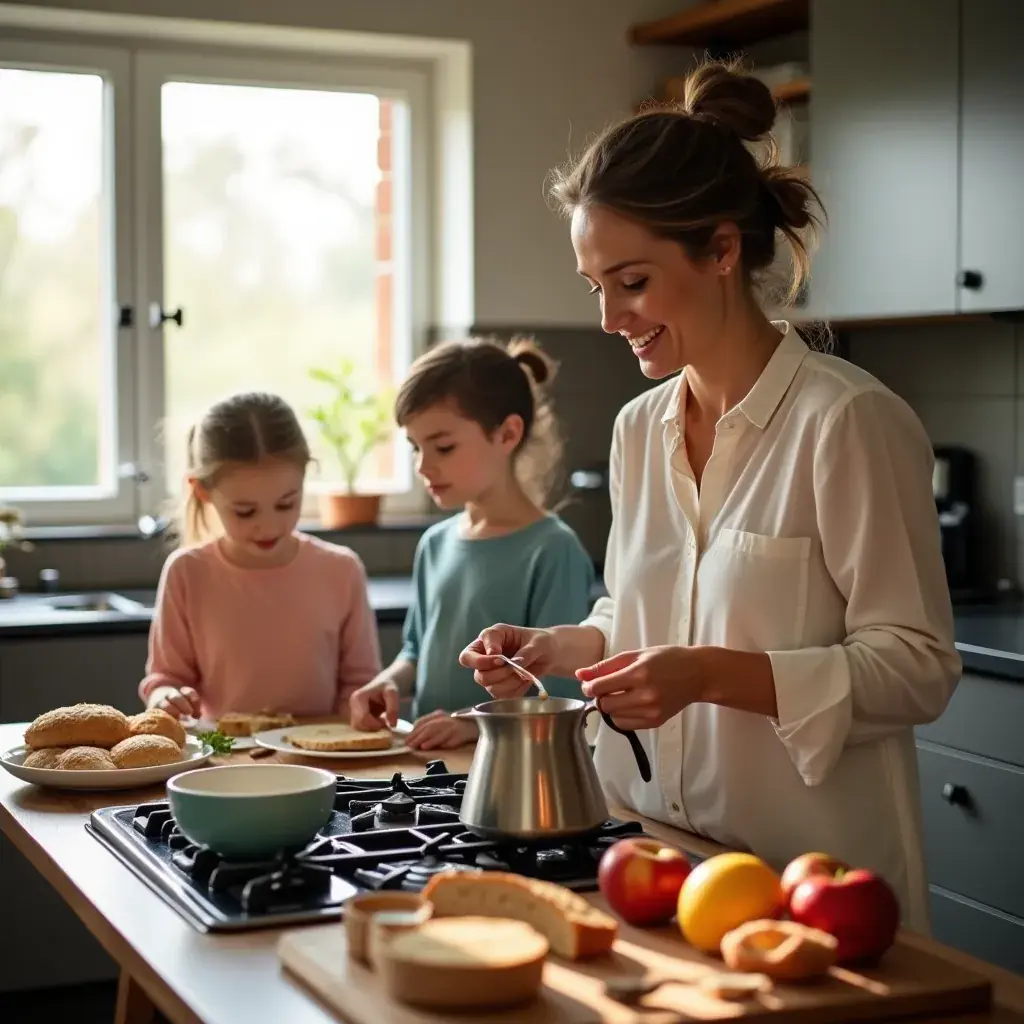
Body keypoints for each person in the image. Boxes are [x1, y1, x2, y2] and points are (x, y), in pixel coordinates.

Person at [460, 60, 961, 934]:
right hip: (649, 855)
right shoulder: (636, 429)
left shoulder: (847, 421)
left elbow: (918, 666)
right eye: (596, 288)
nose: (610, 318)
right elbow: (641, 612)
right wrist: (559, 647)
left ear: (723, 251)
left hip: (808, 887)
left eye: (633, 281)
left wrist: (708, 676)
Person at [348, 336, 595, 750]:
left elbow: (557, 696)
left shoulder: (553, 550)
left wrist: (472, 726)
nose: (423, 466)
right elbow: (415, 650)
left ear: (507, 434)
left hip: (508, 765)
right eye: (415, 448)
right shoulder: (435, 543)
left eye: (443, 447)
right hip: (429, 764)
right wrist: (386, 683)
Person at [138, 391, 381, 721]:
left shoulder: (341, 570)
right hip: (225, 752)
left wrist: (366, 707)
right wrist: (166, 697)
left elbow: (361, 684)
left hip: (319, 750)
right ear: (201, 490)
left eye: (285, 504)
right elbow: (166, 679)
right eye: (245, 511)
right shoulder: (187, 572)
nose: (268, 526)